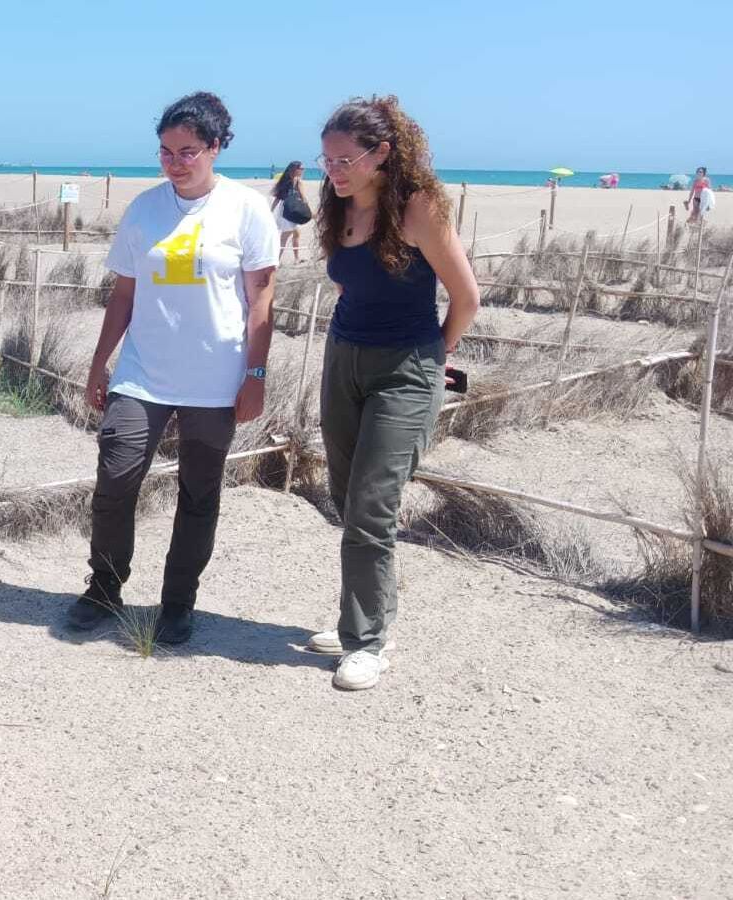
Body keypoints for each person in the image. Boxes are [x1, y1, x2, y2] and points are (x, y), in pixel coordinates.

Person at [64, 91, 279, 644]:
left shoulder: (246, 209)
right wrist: (99, 361)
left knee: (199, 492)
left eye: (187, 152)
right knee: (115, 477)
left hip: (216, 379)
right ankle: (105, 587)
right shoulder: (144, 209)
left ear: (214, 148)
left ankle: (178, 602)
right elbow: (123, 294)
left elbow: (261, 300)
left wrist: (254, 375)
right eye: (165, 151)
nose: (174, 163)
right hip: (143, 373)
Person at [310, 96, 480, 691]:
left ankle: (367, 643)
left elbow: (467, 299)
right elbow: (346, 284)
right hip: (344, 359)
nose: (333, 169)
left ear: (382, 153)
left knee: (372, 506)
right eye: (326, 159)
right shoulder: (336, 207)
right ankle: (363, 614)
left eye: (345, 158)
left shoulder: (418, 208)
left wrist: (438, 355)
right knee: (343, 494)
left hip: (407, 368)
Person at [270, 161, 310, 263]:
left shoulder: (285, 181)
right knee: (285, 236)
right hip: (292, 211)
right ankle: (276, 260)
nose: (303, 170)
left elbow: (277, 199)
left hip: (284, 211)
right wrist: (308, 211)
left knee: (295, 233)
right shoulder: (298, 181)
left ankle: (295, 258)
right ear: (295, 169)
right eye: (301, 168)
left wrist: (270, 211)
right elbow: (304, 198)